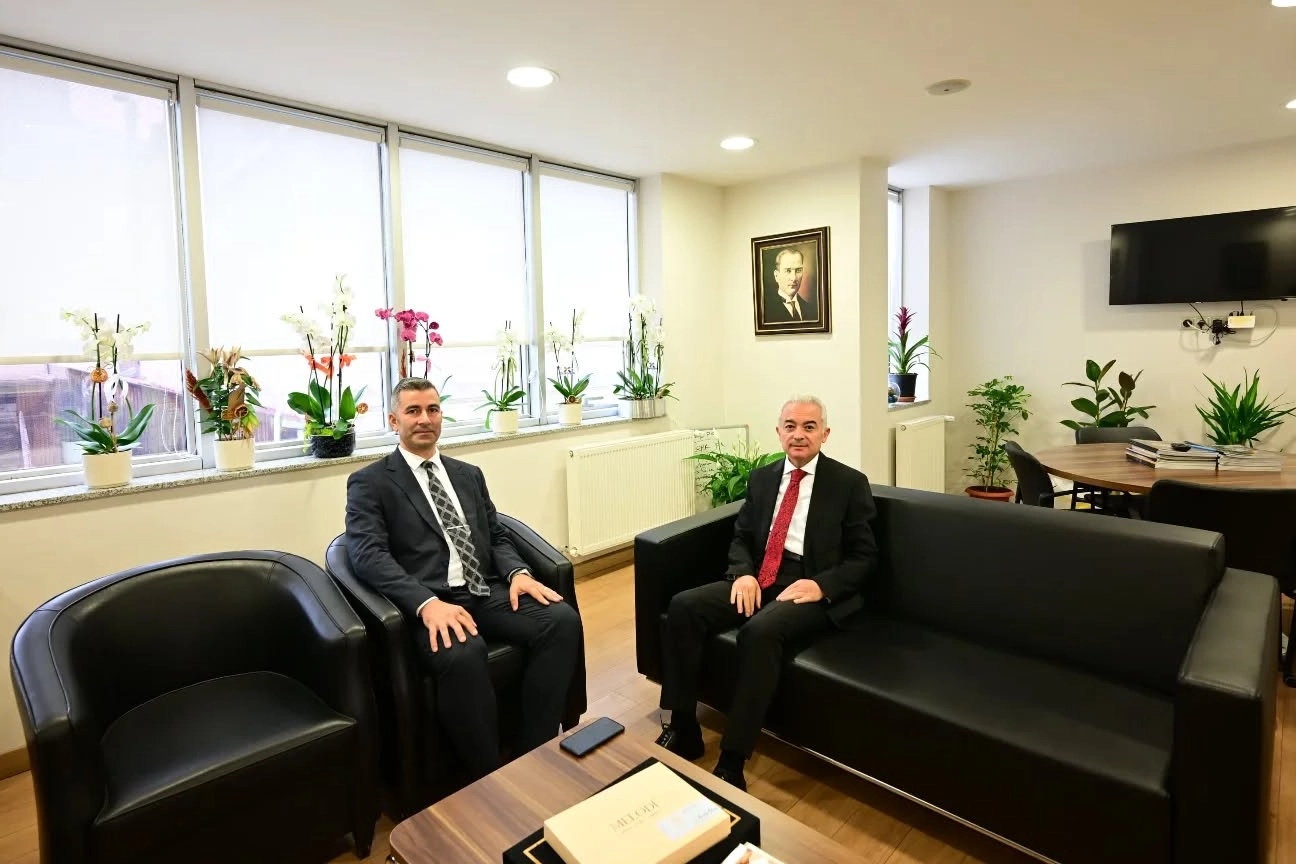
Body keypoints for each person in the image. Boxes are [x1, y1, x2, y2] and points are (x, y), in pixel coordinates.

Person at [345, 377, 582, 780]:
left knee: (561, 621)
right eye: (413, 411)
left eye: (432, 410)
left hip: (483, 590)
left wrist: (518, 572)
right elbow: (367, 555)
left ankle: (533, 753)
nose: (425, 419)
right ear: (393, 420)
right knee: (463, 653)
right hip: (430, 602)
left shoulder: (468, 474)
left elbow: (497, 535)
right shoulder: (371, 483)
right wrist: (425, 603)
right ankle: (488, 779)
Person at [655, 396, 878, 790]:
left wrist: (822, 585)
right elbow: (741, 536)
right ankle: (684, 726)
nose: (799, 434)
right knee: (684, 606)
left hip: (809, 584)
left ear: (825, 434)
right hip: (760, 577)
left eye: (809, 427)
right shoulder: (762, 478)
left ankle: (732, 758)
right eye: (790, 426)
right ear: (779, 432)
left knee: (758, 632)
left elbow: (865, 557)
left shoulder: (848, 484)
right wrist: (743, 574)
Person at [762, 248, 818, 323]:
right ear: (776, 276)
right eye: (788, 271)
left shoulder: (812, 309)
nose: (793, 278)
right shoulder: (765, 310)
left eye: (798, 270)